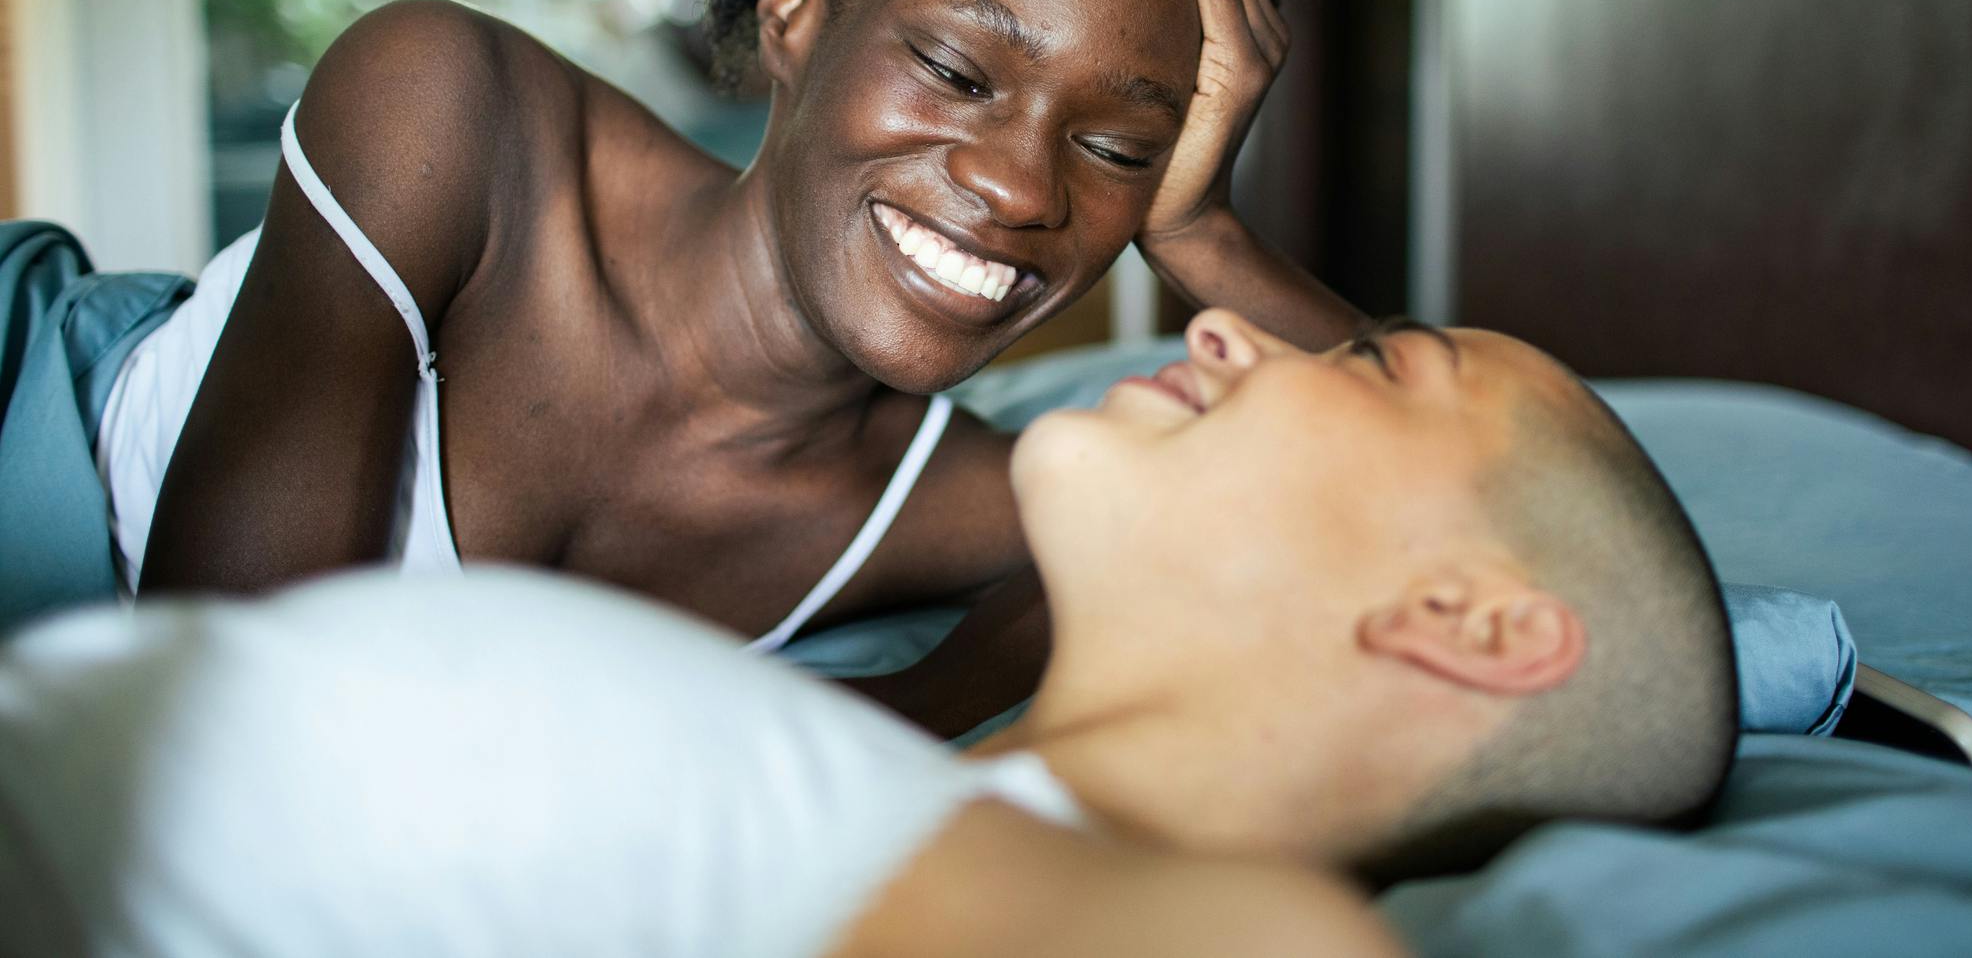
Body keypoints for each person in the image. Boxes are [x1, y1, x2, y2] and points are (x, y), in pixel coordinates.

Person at [0, 0, 1365, 732]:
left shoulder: (945, 505)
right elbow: (210, 732)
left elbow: (1482, 500)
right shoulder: (445, 111)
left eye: (1122, 146)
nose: (1016, 185)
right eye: (954, 68)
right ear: (790, 6)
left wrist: (1205, 236)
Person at [0, 311, 1740, 957]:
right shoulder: (904, 788)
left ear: (1466, 615)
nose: (1225, 325)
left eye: (1372, 362)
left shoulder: (1222, 925)